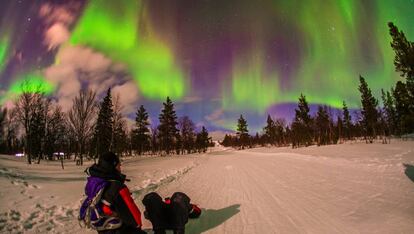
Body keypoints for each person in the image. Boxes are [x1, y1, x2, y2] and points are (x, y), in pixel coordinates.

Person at [80, 152, 146, 234]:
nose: (120, 167)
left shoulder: (96, 181)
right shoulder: (117, 187)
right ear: (112, 166)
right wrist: (138, 227)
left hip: (102, 227)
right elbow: (134, 218)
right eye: (118, 165)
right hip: (119, 229)